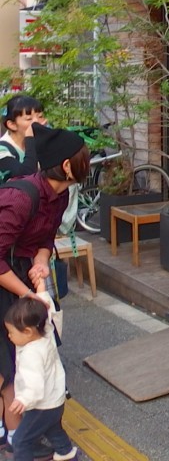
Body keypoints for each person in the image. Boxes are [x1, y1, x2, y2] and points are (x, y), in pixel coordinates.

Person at [0, 124, 88, 459]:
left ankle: (23, 437)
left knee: (29, 354)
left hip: (20, 276)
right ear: (67, 165)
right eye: (84, 157)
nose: (88, 163)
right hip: (7, 280)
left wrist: (39, 261)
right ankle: (16, 439)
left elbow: (45, 239)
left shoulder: (60, 193)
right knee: (10, 363)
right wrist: (29, 293)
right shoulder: (20, 197)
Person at [3, 276, 76, 461]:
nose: (10, 337)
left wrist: (23, 399)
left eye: (11, 332)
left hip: (42, 405)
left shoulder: (31, 354)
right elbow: (47, 308)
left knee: (21, 441)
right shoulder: (46, 331)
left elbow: (34, 382)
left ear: (27, 332)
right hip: (55, 400)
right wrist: (41, 287)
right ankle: (68, 456)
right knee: (54, 432)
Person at [0, 98, 46, 183]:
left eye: (40, 117)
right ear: (12, 125)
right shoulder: (2, 150)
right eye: (29, 119)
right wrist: (30, 138)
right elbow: (26, 175)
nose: (37, 122)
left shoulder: (41, 143)